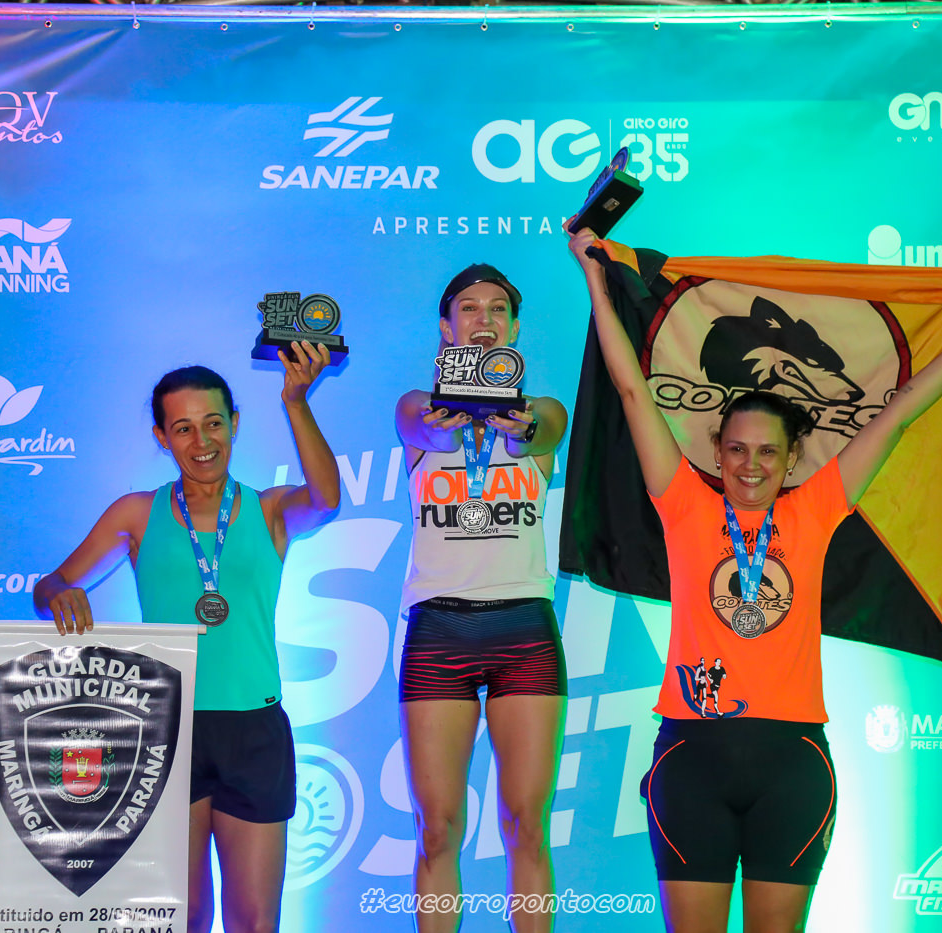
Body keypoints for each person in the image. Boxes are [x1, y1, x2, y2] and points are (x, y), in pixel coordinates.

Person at [567, 226, 942, 933]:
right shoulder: (683, 504)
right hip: (691, 756)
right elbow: (632, 391)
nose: (751, 465)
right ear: (716, 450)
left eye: (768, 452)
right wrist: (596, 281)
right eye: (737, 449)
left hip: (792, 763)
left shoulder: (817, 508)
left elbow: (897, 414)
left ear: (793, 457)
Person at [32, 347, 339, 933]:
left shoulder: (270, 509)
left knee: (255, 923)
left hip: (254, 731)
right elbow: (51, 583)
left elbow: (326, 499)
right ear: (162, 437)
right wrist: (59, 594)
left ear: (234, 424)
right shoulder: (136, 513)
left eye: (214, 423)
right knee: (185, 919)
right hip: (167, 731)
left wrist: (296, 401)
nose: (202, 441)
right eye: (183, 428)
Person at [394, 263, 569, 933]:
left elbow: (542, 430)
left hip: (523, 627)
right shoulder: (416, 404)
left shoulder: (541, 407)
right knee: (437, 827)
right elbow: (427, 429)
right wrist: (455, 418)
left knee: (526, 822)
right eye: (469, 308)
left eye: (498, 308)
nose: (484, 318)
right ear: (447, 326)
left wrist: (515, 425)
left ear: (515, 327)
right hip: (439, 629)